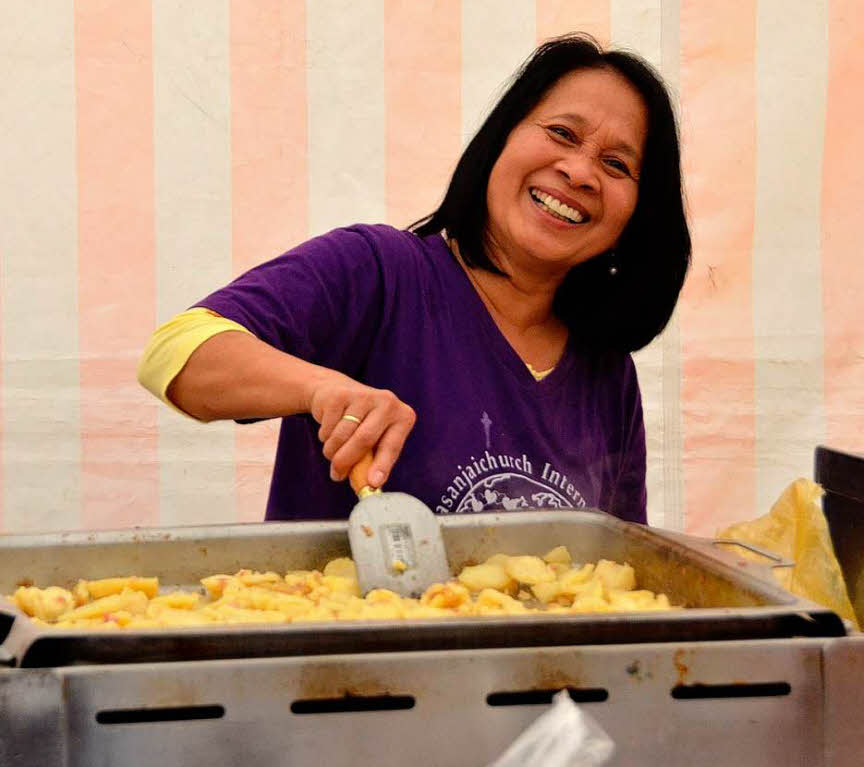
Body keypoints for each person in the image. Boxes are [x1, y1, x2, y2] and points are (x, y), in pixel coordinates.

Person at [138, 34, 690, 525]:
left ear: (636, 217)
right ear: (500, 140)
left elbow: (619, 568)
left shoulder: (606, 372)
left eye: (617, 165)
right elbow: (175, 354)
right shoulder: (378, 272)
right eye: (562, 133)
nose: (580, 171)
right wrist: (324, 389)